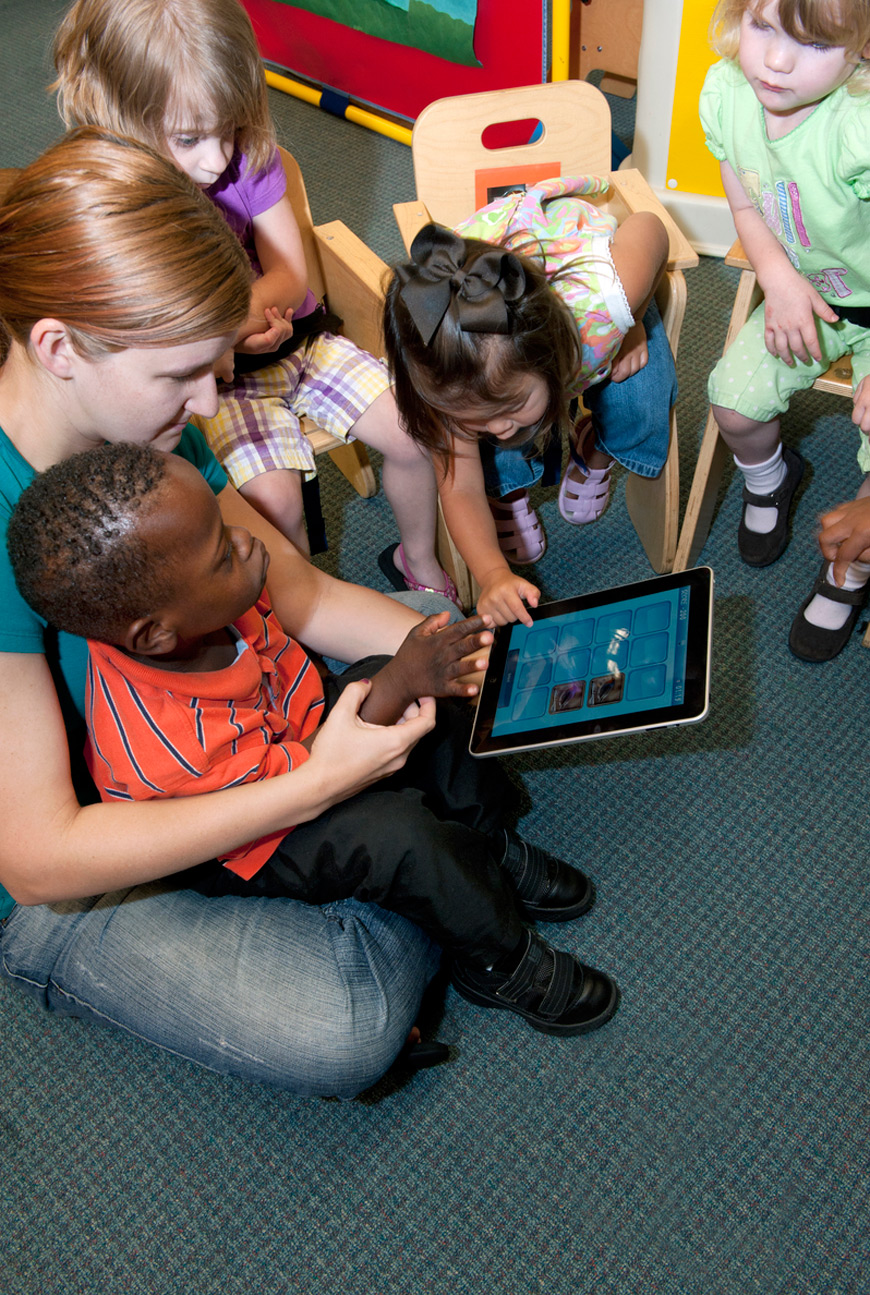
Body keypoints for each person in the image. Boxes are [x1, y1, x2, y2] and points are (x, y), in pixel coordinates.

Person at [0, 129, 617, 1099]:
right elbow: (40, 857)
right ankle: (444, 883)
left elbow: (298, 591)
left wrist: (467, 663)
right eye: (183, 378)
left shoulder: (147, 433)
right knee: (347, 1026)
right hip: (96, 852)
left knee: (426, 629)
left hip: (255, 728)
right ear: (59, 347)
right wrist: (318, 788)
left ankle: (449, 867)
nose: (211, 403)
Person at [8, 442, 619, 1037]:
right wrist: (396, 684)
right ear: (156, 635)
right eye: (222, 554)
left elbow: (318, 690)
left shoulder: (212, 602)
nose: (248, 540)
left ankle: (489, 843)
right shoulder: (169, 743)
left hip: (294, 733)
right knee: (396, 835)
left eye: (226, 528)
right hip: (253, 827)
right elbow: (310, 787)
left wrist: (408, 677)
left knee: (431, 696)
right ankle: (497, 961)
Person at [51, 0, 458, 603]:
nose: (217, 160)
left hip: (299, 342)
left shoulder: (247, 161)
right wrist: (230, 333)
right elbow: (143, 339)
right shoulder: (116, 206)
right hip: (218, 383)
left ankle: (415, 558)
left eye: (229, 127)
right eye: (190, 138)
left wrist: (238, 319)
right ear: (126, 114)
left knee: (414, 430)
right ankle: (300, 606)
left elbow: (290, 276)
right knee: (273, 503)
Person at [382, 183, 672, 628]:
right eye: (477, 419)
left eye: (511, 406)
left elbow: (650, 229)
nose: (497, 429)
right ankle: (510, 490)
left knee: (642, 394)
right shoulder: (448, 380)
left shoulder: (609, 297)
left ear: (549, 358)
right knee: (499, 448)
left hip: (593, 285)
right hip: (482, 314)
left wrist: (633, 315)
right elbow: (458, 487)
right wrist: (493, 573)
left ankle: (594, 446)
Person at [701, 0, 870, 662]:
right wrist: (774, 272)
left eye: (814, 43)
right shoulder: (726, 90)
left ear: (860, 47)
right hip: (803, 293)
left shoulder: (859, 128)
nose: (775, 59)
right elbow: (742, 194)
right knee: (731, 404)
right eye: (763, 26)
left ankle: (848, 569)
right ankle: (772, 475)